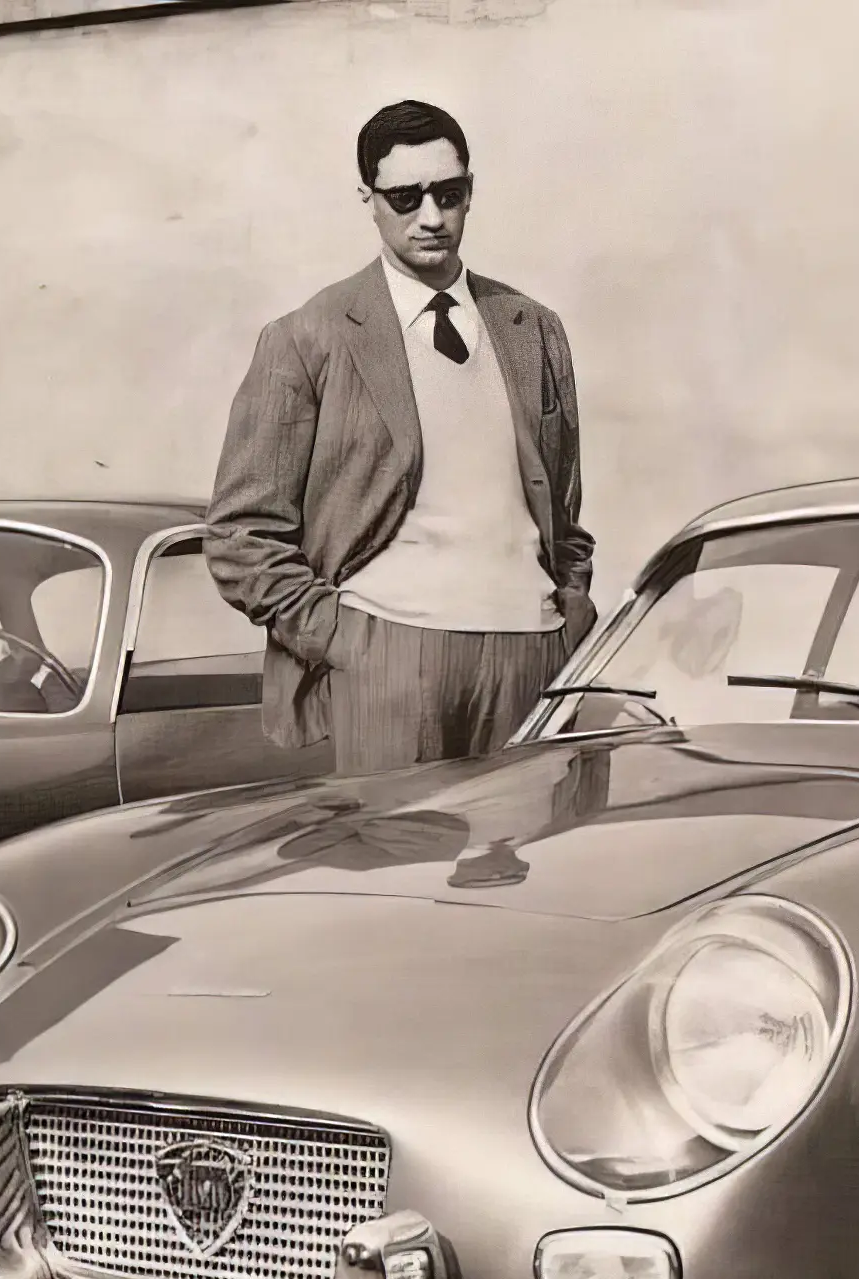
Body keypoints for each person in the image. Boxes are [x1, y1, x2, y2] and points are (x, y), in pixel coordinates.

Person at [203, 99, 597, 777]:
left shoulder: (532, 328)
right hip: (388, 655)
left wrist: (570, 613)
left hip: (530, 652)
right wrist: (341, 636)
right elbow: (240, 533)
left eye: (450, 193)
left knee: (533, 842)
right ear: (368, 198)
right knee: (396, 844)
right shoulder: (309, 336)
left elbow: (564, 508)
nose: (432, 216)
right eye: (406, 197)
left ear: (470, 190)